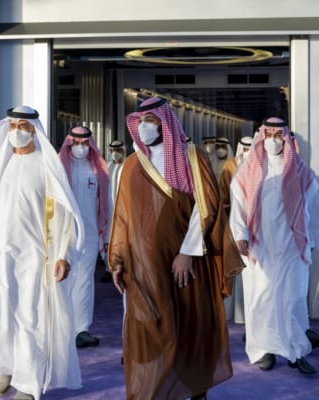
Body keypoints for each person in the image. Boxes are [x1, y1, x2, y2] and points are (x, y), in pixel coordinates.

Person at [108, 97, 243, 399]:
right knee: (152, 325)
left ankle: (193, 388)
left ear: (165, 122)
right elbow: (123, 216)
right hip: (145, 263)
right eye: (139, 121)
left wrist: (187, 252)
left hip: (187, 261)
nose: (143, 127)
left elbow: (205, 205)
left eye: (151, 121)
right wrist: (117, 260)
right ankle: (156, 389)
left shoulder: (192, 157)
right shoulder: (131, 165)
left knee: (191, 322)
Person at [0, 105, 85, 400]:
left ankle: (27, 382)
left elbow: (62, 218)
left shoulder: (46, 166)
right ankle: (7, 367)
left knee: (29, 318)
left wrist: (62, 254)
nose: (17, 132)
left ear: (34, 131)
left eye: (23, 127)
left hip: (34, 258)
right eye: (12, 126)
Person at [229, 117, 319, 374]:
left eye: (278, 135)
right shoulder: (248, 170)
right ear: (261, 137)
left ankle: (295, 351)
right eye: (269, 135)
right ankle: (263, 350)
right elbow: (239, 206)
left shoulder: (298, 170)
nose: (273, 140)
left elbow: (315, 207)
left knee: (292, 297)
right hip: (259, 246)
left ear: (286, 138)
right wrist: (240, 234)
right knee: (261, 298)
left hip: (291, 246)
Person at [59, 126, 109, 348]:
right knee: (64, 279)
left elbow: (105, 204)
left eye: (84, 143)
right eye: (76, 142)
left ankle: (82, 330)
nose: (80, 147)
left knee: (85, 279)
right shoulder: (60, 168)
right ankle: (63, 329)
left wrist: (104, 235)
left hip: (89, 233)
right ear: (69, 143)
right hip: (64, 233)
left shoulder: (96, 170)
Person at [218, 135, 253, 324]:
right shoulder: (230, 165)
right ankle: (236, 313)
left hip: (254, 225)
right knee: (234, 265)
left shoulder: (258, 165)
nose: (247, 151)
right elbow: (223, 192)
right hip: (232, 222)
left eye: (251, 147)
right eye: (245, 148)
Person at [100, 139, 127, 282]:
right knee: (107, 238)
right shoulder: (107, 168)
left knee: (122, 238)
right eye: (113, 151)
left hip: (123, 209)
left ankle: (121, 266)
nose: (115, 154)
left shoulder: (128, 167)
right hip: (108, 209)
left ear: (123, 151)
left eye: (118, 151)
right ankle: (107, 268)